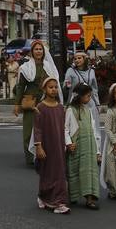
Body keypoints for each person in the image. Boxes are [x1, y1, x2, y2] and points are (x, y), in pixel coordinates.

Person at [14, 40, 59, 168]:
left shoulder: (49, 66)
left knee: (45, 130)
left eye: (40, 49)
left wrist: (58, 102)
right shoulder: (25, 67)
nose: (38, 51)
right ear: (32, 52)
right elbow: (20, 86)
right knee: (29, 130)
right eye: (36, 49)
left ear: (43, 52)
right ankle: (30, 157)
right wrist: (17, 104)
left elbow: (55, 86)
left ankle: (43, 155)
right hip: (31, 102)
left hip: (46, 101)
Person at [32, 75, 70, 214]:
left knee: (60, 172)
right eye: (50, 87)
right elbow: (37, 129)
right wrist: (38, 146)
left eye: (55, 87)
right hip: (46, 145)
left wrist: (67, 143)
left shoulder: (61, 108)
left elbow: (64, 127)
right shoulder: (40, 107)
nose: (53, 90)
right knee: (47, 172)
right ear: (44, 89)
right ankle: (43, 196)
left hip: (59, 146)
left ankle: (59, 202)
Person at [65, 85, 101, 209]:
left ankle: (89, 199)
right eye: (87, 96)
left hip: (89, 147)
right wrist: (68, 143)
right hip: (77, 146)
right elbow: (65, 128)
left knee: (89, 172)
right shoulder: (70, 110)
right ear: (79, 96)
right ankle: (73, 196)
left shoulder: (88, 110)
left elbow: (94, 130)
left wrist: (97, 151)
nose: (89, 98)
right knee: (75, 171)